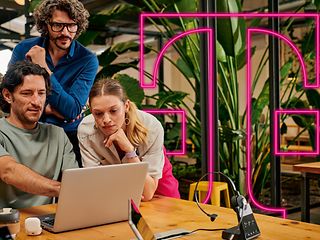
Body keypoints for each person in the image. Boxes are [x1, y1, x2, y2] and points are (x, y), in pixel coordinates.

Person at [9, 0, 99, 167]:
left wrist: (43, 67)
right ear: (46, 24)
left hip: (68, 138)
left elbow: (71, 110)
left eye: (72, 26)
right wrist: (49, 109)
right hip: (26, 134)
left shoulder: (87, 60)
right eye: (58, 25)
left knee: (69, 189)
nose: (65, 32)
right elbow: (8, 99)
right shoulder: (23, 49)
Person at [78, 78, 180, 201]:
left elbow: (147, 193)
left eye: (113, 111)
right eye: (98, 114)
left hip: (156, 178)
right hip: (116, 186)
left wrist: (129, 151)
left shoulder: (152, 127)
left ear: (126, 106)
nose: (106, 119)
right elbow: (94, 185)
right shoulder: (86, 131)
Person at [0, 61, 78, 209]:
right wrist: (64, 190)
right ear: (7, 96)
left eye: (41, 93)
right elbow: (8, 171)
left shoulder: (58, 135)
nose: (36, 102)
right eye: (27, 93)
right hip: (7, 225)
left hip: (47, 221)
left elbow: (74, 179)